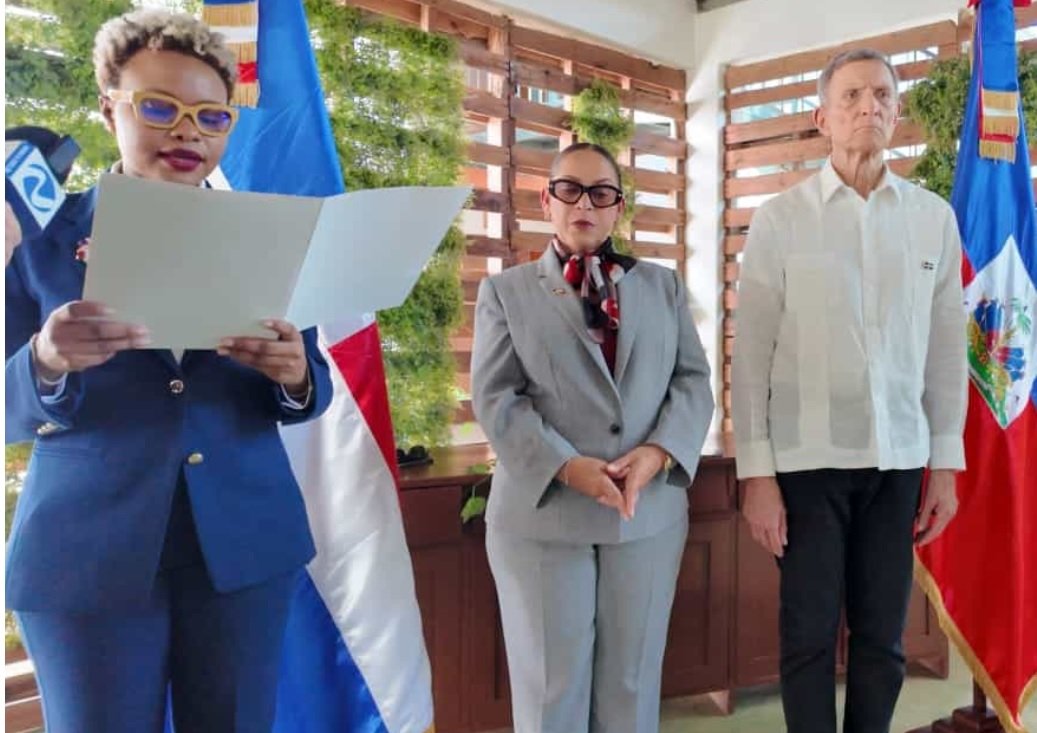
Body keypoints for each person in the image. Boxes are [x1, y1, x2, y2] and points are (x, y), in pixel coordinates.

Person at [4, 9, 333, 732]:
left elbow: (313, 388)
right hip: (84, 552)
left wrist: (294, 375)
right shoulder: (35, 233)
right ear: (108, 108)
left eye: (211, 117)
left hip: (245, 546)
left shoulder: (267, 237)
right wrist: (45, 361)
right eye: (159, 107)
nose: (188, 132)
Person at [731, 48, 967, 733]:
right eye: (852, 96)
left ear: (897, 111)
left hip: (898, 462)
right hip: (806, 465)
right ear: (822, 118)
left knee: (883, 640)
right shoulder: (779, 219)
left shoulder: (931, 219)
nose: (869, 106)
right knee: (807, 637)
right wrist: (756, 475)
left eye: (882, 95)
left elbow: (945, 349)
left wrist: (944, 464)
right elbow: (751, 354)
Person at [471, 142, 714, 733]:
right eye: (570, 190)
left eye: (601, 193)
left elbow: (692, 382)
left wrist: (658, 452)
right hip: (544, 518)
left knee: (632, 685)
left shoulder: (664, 287)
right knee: (552, 690)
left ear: (617, 207)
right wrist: (566, 465)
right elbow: (497, 398)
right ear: (546, 201)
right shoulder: (506, 293)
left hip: (646, 516)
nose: (585, 204)